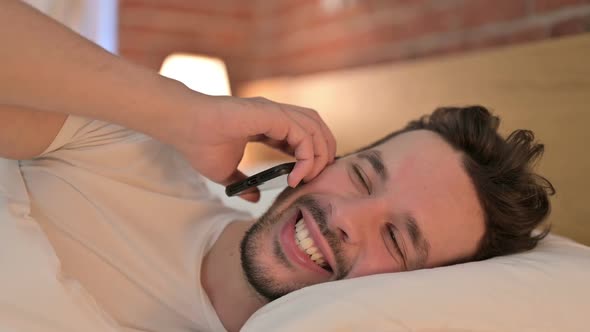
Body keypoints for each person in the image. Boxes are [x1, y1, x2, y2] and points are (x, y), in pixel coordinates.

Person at [0, 1, 554, 332]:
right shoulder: (133, 154)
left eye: (396, 238)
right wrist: (186, 111)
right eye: (361, 176)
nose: (345, 217)